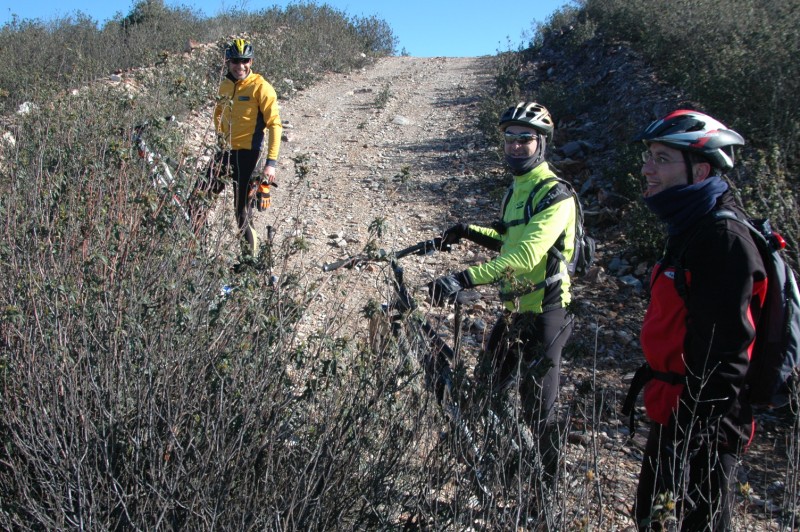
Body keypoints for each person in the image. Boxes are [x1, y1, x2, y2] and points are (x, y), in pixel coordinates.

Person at [427, 101, 577, 508]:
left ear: (542, 143)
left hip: (546, 314)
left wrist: (463, 277)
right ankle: (507, 468)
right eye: (510, 138)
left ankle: (546, 501)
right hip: (514, 312)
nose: (515, 146)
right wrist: (466, 231)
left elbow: (526, 256)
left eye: (525, 139)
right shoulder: (516, 189)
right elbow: (508, 238)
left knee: (538, 411)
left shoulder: (556, 194)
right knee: (486, 390)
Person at [629, 110, 766, 531]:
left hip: (705, 422)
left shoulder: (722, 240)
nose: (647, 169)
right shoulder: (690, 225)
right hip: (676, 408)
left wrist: (687, 432)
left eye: (662, 159)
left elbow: (729, 354)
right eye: (649, 156)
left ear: (700, 170)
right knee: (652, 519)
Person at [194, 38, 282, 259]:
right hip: (225, 153)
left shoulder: (261, 87)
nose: (240, 66)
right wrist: (220, 140)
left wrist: (270, 164)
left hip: (249, 156)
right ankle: (197, 256)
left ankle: (249, 263)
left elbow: (275, 125)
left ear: (251, 61)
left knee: (241, 212)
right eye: (235, 61)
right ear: (228, 61)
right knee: (197, 200)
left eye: (245, 61)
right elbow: (218, 114)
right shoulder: (224, 85)